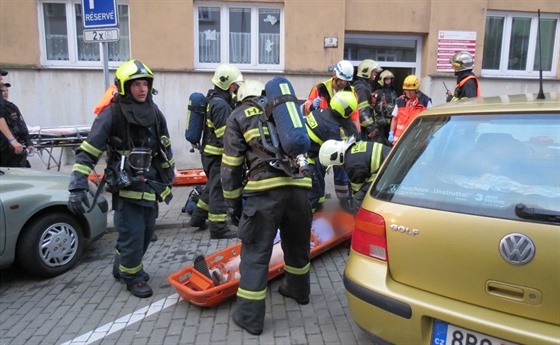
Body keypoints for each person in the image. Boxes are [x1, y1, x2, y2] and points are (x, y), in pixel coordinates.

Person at [67, 59, 175, 298]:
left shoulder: (154, 112)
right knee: (133, 234)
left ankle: (122, 265)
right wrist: (77, 184)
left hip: (151, 184)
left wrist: (169, 173)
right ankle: (132, 277)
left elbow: (164, 144)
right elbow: (89, 151)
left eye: (145, 84)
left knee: (147, 233)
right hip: (126, 185)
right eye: (136, 84)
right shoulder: (111, 114)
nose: (142, 89)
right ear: (124, 86)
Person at [222, 79, 312, 336]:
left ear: (241, 98)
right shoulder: (283, 112)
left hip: (264, 192)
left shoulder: (238, 115)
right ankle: (299, 291)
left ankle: (249, 317)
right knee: (297, 244)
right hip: (299, 186)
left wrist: (233, 202)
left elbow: (230, 165)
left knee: (256, 252)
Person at [188, 64, 242, 239]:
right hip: (217, 155)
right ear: (229, 85)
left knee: (211, 186)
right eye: (235, 84)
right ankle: (218, 228)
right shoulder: (221, 105)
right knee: (218, 189)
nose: (237, 87)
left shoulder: (216, 99)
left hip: (210, 154)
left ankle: (197, 218)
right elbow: (225, 136)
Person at [303, 60, 358, 211]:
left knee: (341, 168)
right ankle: (318, 200)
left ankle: (343, 200)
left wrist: (355, 136)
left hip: (337, 133)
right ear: (335, 76)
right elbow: (306, 108)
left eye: (346, 81)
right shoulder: (320, 89)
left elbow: (354, 115)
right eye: (341, 81)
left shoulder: (350, 91)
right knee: (318, 170)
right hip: (320, 136)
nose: (343, 84)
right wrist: (311, 106)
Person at [319, 138, 391, 214]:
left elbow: (357, 189)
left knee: (358, 198)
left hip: (389, 171)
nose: (336, 167)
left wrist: (352, 202)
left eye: (334, 165)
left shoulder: (352, 165)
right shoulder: (352, 149)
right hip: (389, 164)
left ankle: (360, 221)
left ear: (336, 157)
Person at [388, 75, 431, 145]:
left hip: (415, 141)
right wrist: (391, 132)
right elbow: (395, 118)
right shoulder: (400, 101)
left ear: (416, 90)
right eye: (406, 90)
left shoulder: (425, 102)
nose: (408, 93)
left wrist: (428, 133)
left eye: (410, 91)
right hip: (399, 141)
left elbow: (430, 120)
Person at [0, 82, 34, 167]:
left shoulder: (12, 107)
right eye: (2, 91)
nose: (5, 93)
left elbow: (21, 126)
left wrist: (28, 143)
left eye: (7, 91)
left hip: (13, 150)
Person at [353, 59, 383, 141]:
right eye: (374, 72)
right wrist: (371, 128)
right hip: (362, 130)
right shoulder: (361, 88)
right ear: (366, 72)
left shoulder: (364, 86)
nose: (376, 74)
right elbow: (363, 110)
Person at [373, 70, 398, 145]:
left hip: (390, 122)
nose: (388, 81)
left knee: (390, 143)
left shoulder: (393, 92)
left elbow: (396, 106)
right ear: (382, 80)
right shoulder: (378, 92)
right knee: (380, 142)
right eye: (386, 79)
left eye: (390, 79)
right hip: (381, 123)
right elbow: (373, 106)